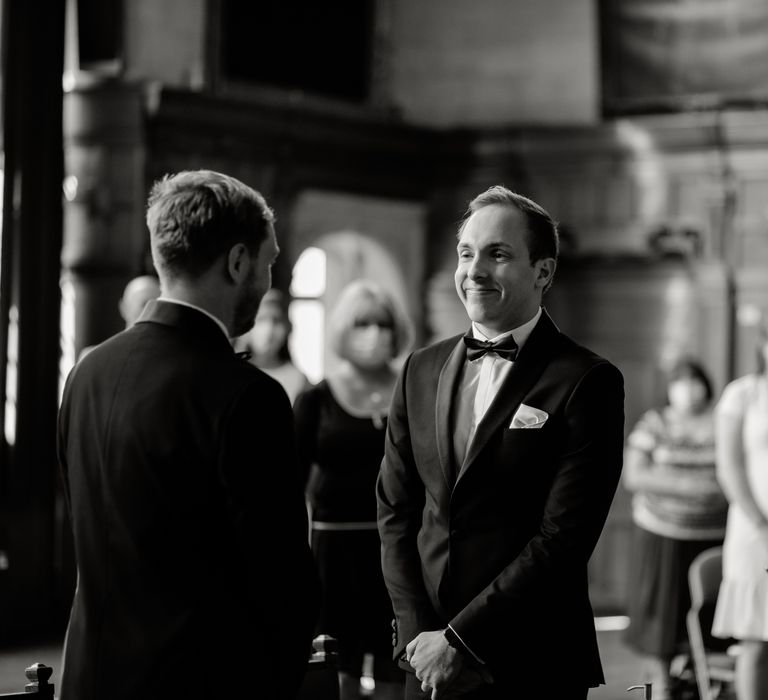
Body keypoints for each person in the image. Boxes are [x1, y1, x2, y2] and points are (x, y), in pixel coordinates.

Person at [57, 170, 319, 700]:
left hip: (89, 675)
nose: (267, 281)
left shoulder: (87, 374)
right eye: (268, 264)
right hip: (202, 678)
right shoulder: (248, 395)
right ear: (238, 262)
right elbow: (280, 578)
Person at [376, 185, 625, 700]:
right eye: (467, 253)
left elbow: (563, 537)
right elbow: (396, 510)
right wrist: (421, 637)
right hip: (424, 662)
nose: (475, 270)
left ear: (543, 272)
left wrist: (461, 641)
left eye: (498, 254)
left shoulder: (586, 380)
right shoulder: (420, 368)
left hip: (530, 660)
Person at [294, 279, 411, 700]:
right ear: (343, 329)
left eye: (382, 324)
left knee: (393, 672)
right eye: (362, 323)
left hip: (397, 550)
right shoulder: (316, 398)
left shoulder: (410, 388)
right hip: (333, 553)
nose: (374, 333)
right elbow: (289, 485)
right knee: (336, 673)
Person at [623, 358, 727, 700]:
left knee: (710, 612)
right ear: (670, 389)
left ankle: (702, 673)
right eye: (681, 382)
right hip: (663, 532)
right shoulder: (655, 423)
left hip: (716, 535)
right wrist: (690, 486)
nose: (689, 389)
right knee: (664, 612)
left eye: (695, 380)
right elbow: (634, 475)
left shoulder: (722, 420)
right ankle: (663, 682)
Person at [712, 324, 768, 700]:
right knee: (758, 640)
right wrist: (762, 523)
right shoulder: (743, 393)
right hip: (756, 530)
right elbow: (729, 466)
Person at [236, 287, 311, 404]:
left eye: (276, 320)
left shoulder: (300, 381)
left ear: (287, 327)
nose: (269, 329)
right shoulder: (233, 376)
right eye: (261, 319)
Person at [78, 275, 161, 360]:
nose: (151, 311)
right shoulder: (93, 357)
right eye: (144, 304)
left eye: (156, 306)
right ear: (124, 308)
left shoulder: (168, 356)